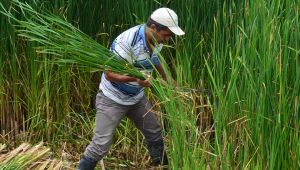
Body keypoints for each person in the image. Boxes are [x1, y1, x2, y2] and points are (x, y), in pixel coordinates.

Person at [77, 7, 185, 170]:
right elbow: (109, 74)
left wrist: (170, 81)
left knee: (154, 131)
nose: (168, 40)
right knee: (100, 145)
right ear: (154, 28)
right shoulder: (127, 41)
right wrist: (135, 78)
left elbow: (155, 61)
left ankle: (161, 166)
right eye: (167, 35)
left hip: (136, 98)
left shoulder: (157, 41)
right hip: (112, 98)